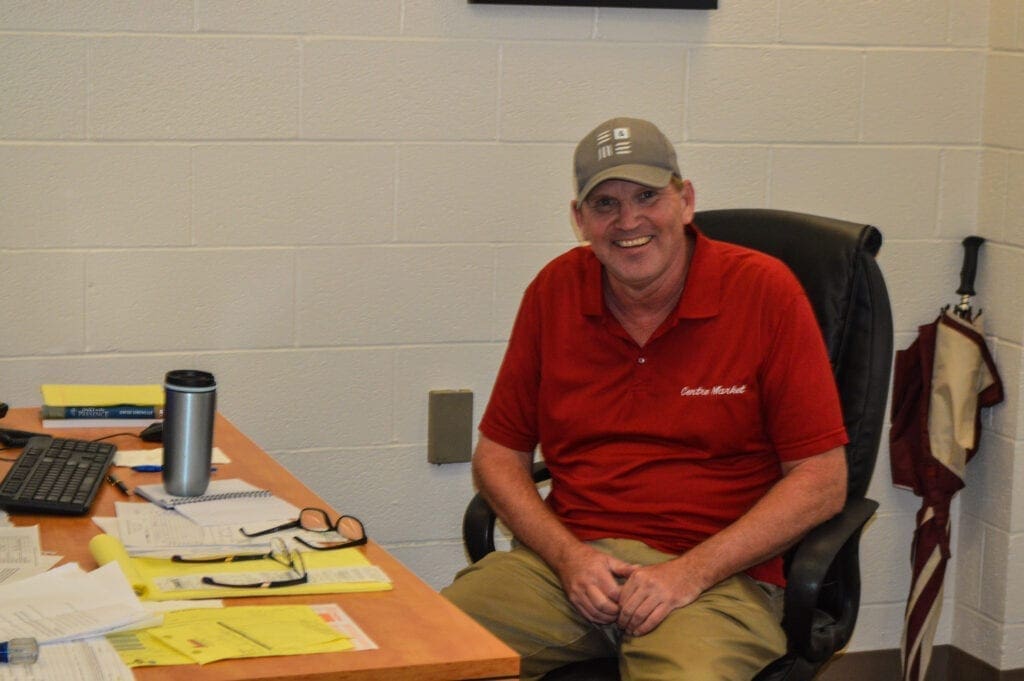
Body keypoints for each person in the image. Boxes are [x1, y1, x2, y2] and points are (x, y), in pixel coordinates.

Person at [441, 117, 849, 681]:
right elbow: (498, 456)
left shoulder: (764, 291)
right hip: (572, 570)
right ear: (579, 220)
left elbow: (822, 480)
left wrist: (690, 573)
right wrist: (567, 557)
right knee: (419, 651)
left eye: (648, 196)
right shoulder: (554, 290)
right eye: (604, 203)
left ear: (685, 202)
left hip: (717, 579)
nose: (628, 220)